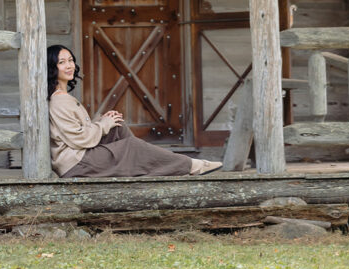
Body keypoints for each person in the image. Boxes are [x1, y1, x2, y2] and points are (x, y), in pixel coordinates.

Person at [47, 44, 222, 178]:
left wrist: (104, 122)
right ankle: (191, 166)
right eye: (62, 62)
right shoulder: (59, 100)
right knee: (131, 145)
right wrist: (102, 124)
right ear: (52, 68)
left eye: (70, 60)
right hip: (76, 164)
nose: (69, 65)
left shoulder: (64, 97)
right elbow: (80, 138)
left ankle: (150, 166)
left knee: (118, 127)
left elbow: (79, 132)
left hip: (82, 158)